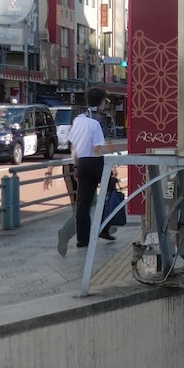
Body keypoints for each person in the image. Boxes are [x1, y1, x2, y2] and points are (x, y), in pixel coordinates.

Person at [68, 86, 114, 249]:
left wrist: (76, 164)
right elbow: (98, 148)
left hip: (81, 162)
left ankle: (82, 240)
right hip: (95, 162)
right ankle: (104, 227)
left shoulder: (78, 119)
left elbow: (74, 146)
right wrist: (108, 164)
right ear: (101, 102)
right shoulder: (97, 122)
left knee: (83, 202)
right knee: (111, 190)